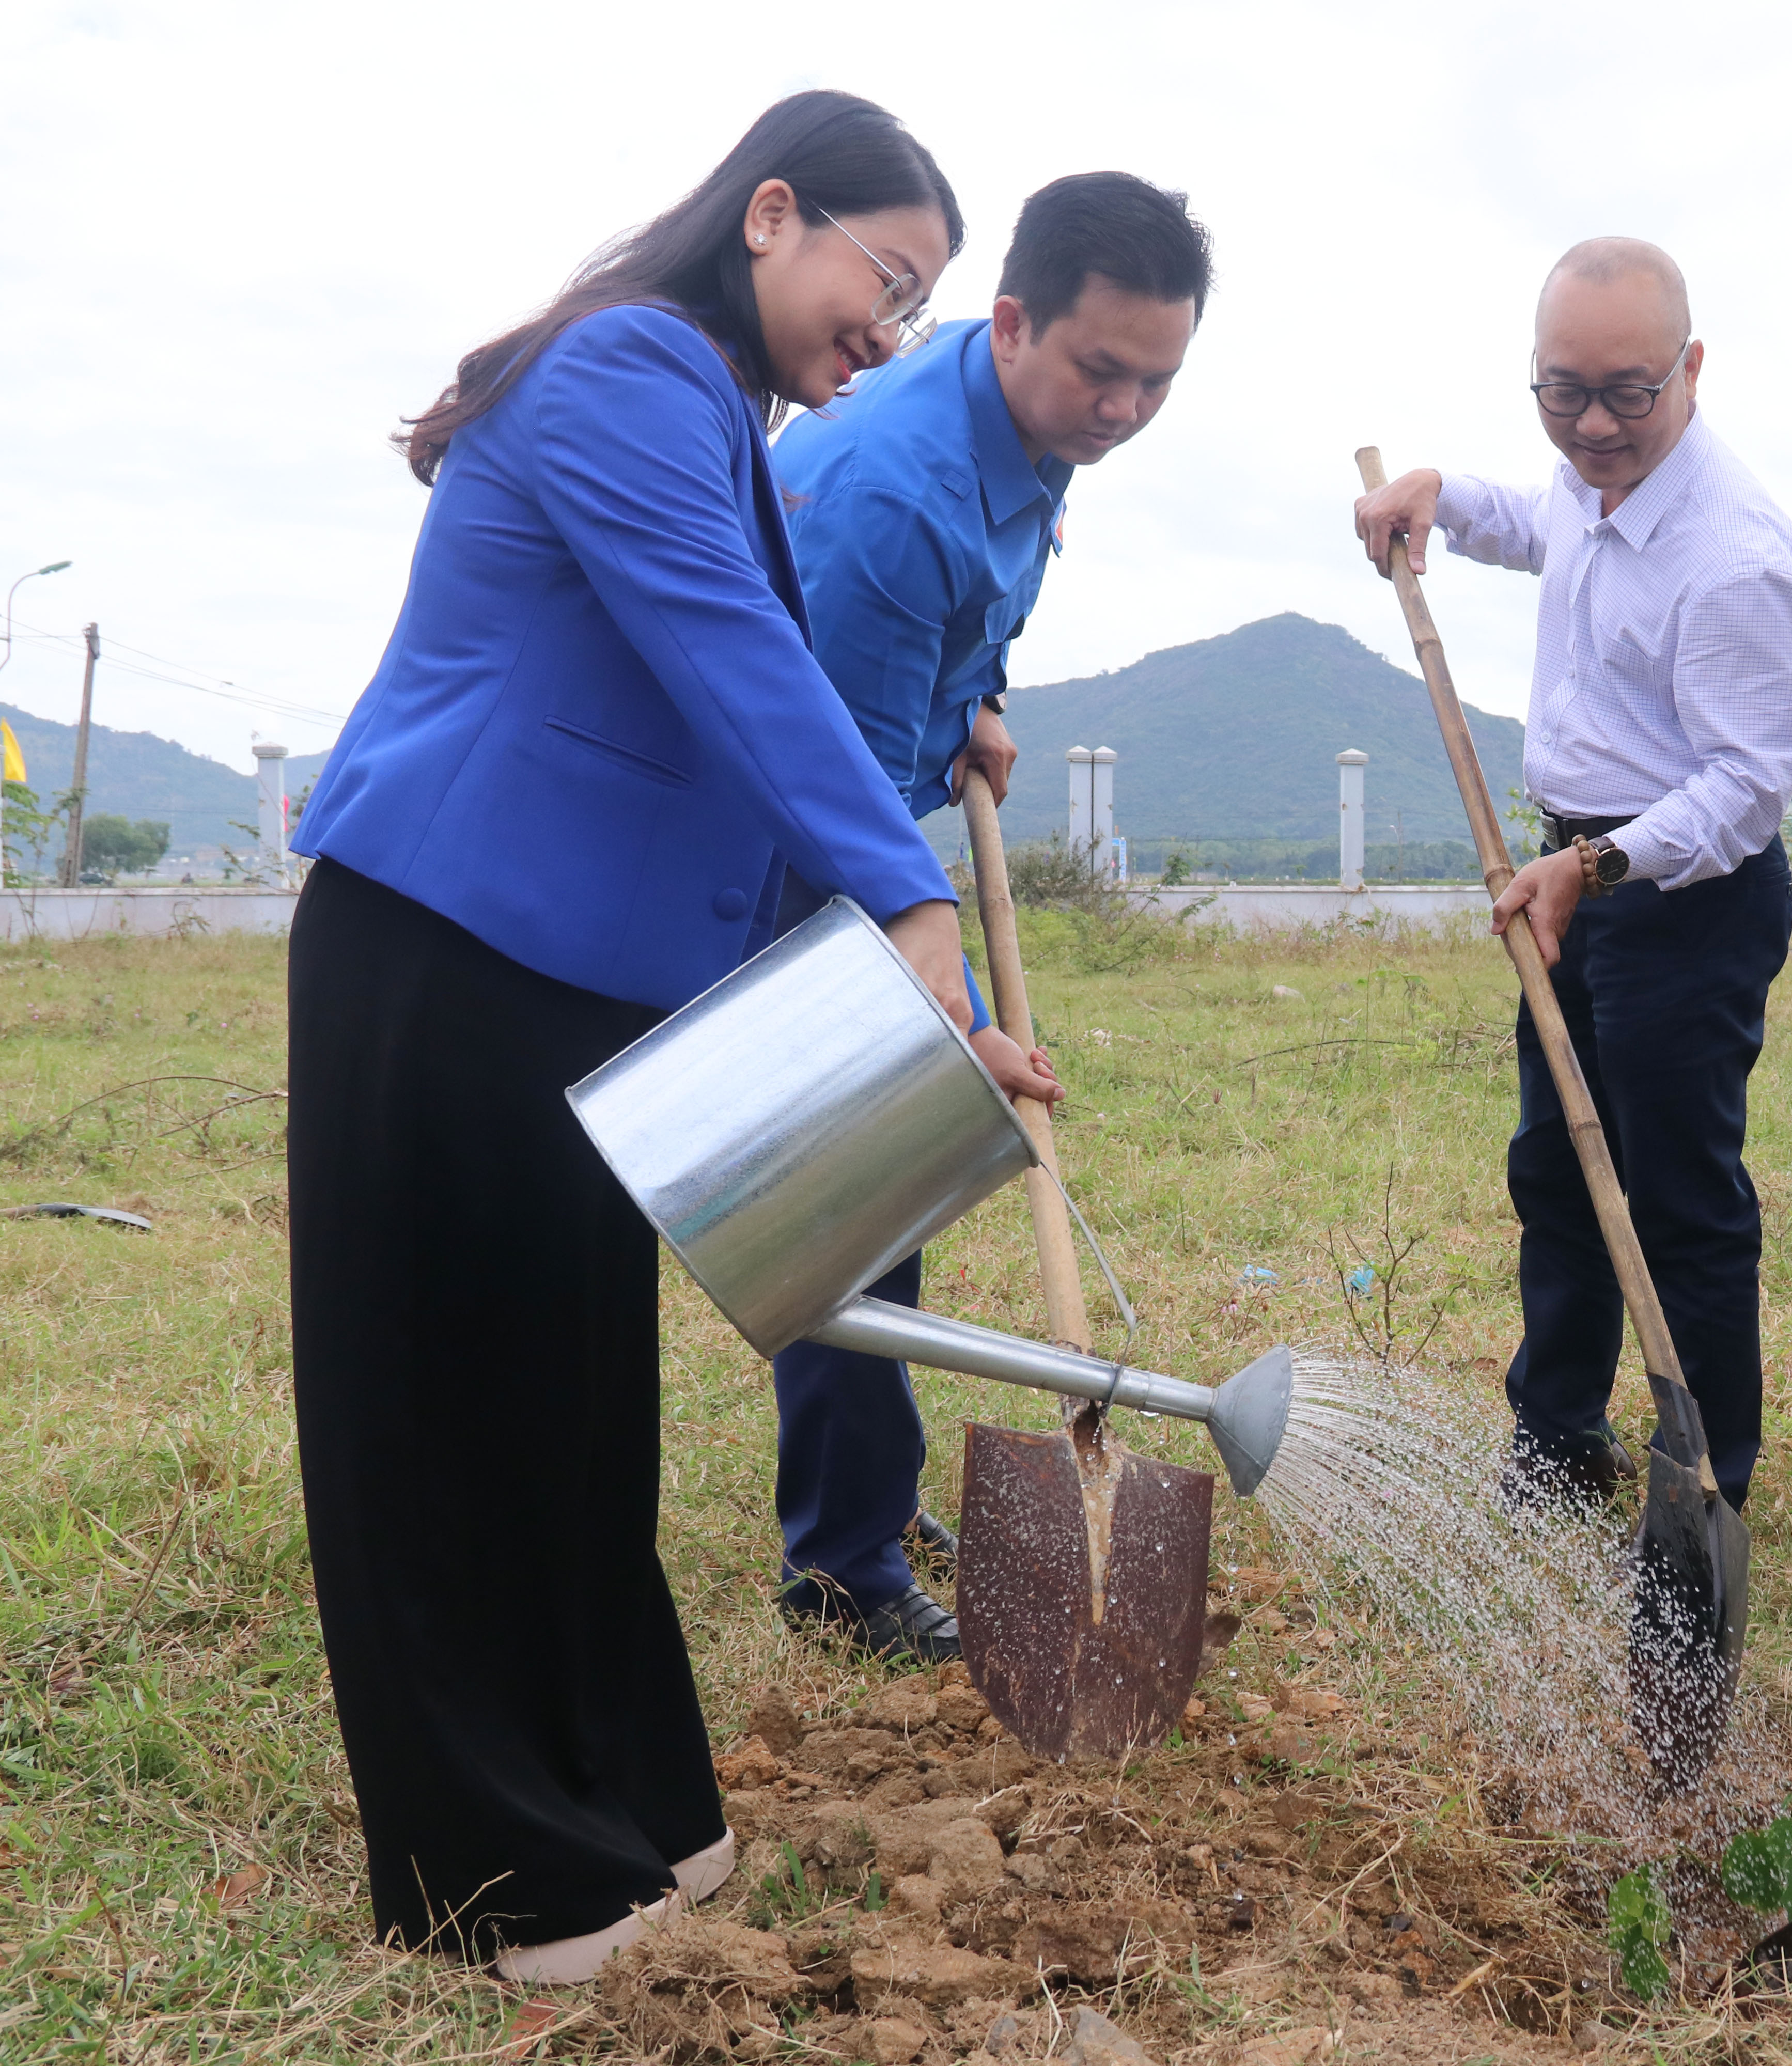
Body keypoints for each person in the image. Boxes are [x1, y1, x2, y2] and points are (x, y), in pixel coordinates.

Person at [289, 91, 1056, 1984]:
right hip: (444, 949)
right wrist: (917, 912)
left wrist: (919, 1020)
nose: (883, 336)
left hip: (584, 986)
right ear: (770, 213)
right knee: (442, 1421)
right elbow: (735, 658)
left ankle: (635, 1805)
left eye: (914, 310)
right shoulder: (627, 365)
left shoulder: (715, 416)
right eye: (882, 284)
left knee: (569, 1405)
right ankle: (503, 1882)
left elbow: (754, 700)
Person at [765, 172, 1212, 1663]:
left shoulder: (1019, 422)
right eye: (1103, 371)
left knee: (885, 1201)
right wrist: (957, 1026)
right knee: (854, 1189)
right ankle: (840, 1566)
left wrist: (976, 697)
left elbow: (965, 619)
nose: (1127, 408)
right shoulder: (899, 494)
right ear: (1012, 321)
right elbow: (837, 804)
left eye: (1159, 378)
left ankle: (864, 1498)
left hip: (872, 774)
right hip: (786, 841)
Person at [1349, 238, 1792, 1510]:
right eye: (1564, 393)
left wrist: (1596, 864)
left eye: (1629, 392)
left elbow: (1744, 789)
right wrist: (1441, 493)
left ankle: (1706, 1474)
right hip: (1569, 876)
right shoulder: (1589, 478)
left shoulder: (1737, 558)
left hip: (1680, 897)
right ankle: (1556, 1440)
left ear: (1693, 370)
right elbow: (1533, 524)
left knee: (1679, 1200)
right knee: (1556, 1170)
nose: (1598, 424)